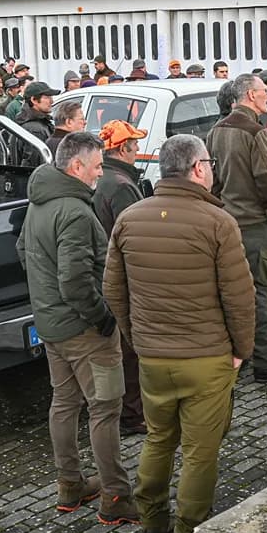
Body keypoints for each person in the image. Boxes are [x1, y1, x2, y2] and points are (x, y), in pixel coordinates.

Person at [102, 134, 253, 533]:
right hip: (207, 357)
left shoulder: (130, 218)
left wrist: (138, 337)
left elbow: (113, 291)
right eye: (210, 164)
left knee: (158, 438)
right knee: (200, 451)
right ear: (198, 168)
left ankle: (152, 528)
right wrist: (242, 349)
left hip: (153, 357)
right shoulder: (218, 222)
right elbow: (239, 297)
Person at [17, 131, 139, 526]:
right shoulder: (73, 211)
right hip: (85, 330)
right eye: (97, 166)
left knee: (64, 403)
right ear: (76, 167)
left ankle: (70, 484)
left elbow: (24, 252)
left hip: (52, 325)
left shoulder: (40, 203)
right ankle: (116, 495)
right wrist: (103, 317)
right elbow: (74, 279)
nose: (101, 172)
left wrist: (46, 298)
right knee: (105, 410)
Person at [206, 73, 267, 382]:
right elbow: (265, 178)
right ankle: (266, 360)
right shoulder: (256, 132)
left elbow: (215, 179)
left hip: (229, 222)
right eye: (262, 92)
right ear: (249, 95)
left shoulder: (217, 130)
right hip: (256, 225)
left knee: (233, 295)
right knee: (261, 294)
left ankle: (239, 354)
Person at [92, 120, 150, 437]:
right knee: (129, 351)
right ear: (122, 148)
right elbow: (135, 236)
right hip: (122, 276)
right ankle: (131, 414)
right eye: (135, 144)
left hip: (104, 273)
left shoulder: (103, 178)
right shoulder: (122, 185)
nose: (138, 149)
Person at [14, 81, 58, 167]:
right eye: (47, 97)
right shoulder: (35, 130)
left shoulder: (36, 124)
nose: (52, 101)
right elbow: (35, 166)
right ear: (34, 100)